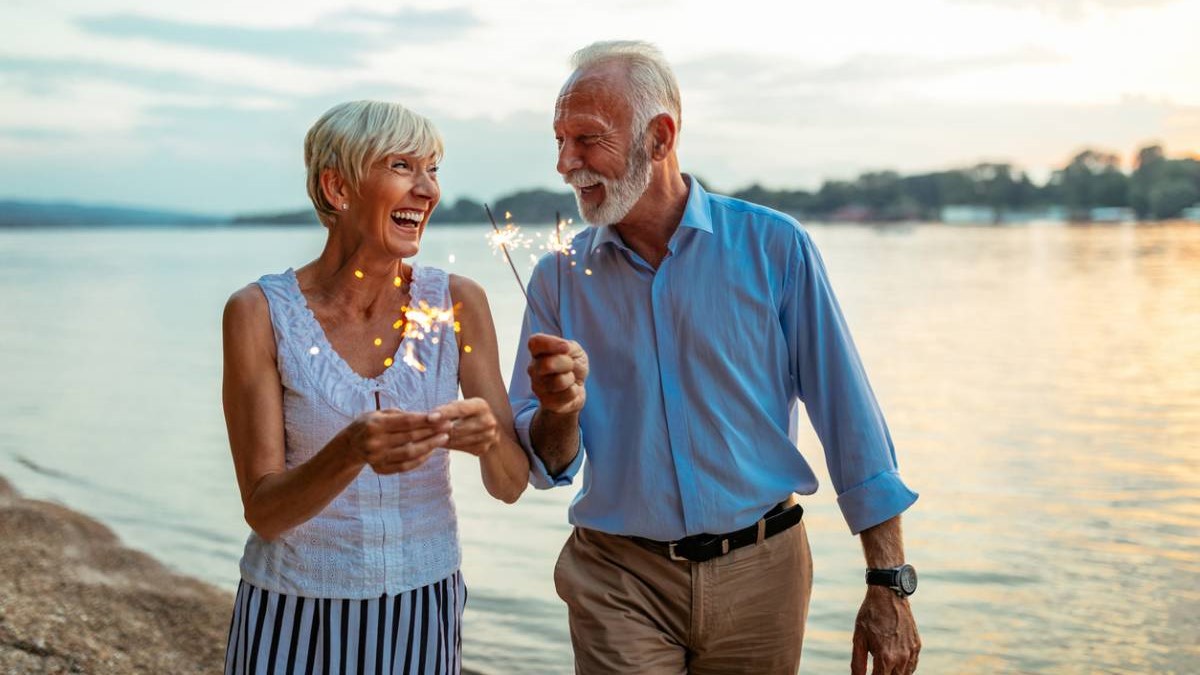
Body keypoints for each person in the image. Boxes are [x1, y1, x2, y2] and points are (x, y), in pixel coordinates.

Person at [509, 41, 922, 674]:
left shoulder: (775, 246)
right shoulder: (556, 279)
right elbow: (548, 465)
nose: (566, 163)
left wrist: (888, 580)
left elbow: (849, 418)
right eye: (560, 141)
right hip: (616, 578)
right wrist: (559, 409)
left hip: (765, 576)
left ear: (660, 137)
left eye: (587, 139)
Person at [221, 100, 529, 675]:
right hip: (291, 611)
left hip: (422, 609)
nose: (427, 190)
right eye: (401, 166)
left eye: (432, 169)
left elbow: (510, 486)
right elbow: (265, 513)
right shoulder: (257, 312)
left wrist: (489, 439)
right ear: (337, 187)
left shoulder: (459, 302)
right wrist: (350, 450)